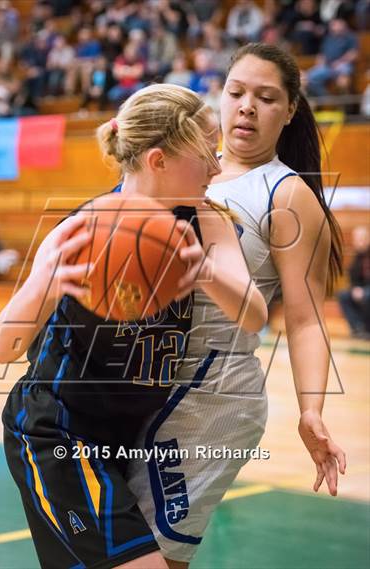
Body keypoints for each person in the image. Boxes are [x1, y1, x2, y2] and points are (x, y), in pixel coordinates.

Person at [0, 83, 268, 569]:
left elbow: (254, 315)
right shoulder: (80, 231)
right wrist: (46, 286)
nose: (218, 166)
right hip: (58, 432)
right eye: (208, 152)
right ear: (158, 160)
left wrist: (204, 271)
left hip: (130, 438)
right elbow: (3, 347)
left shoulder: (207, 222)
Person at [126, 43, 347, 567]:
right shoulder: (176, 166)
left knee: (154, 558)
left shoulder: (286, 194)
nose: (247, 106)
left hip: (211, 398)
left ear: (289, 110)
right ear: (219, 96)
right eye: (237, 91)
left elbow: (305, 317)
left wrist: (311, 409)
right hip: (136, 383)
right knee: (108, 548)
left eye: (266, 97)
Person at [306, 18, 358, 97]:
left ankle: (346, 106)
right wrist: (320, 64)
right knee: (309, 78)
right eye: (333, 25)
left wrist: (340, 62)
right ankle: (326, 99)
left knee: (343, 80)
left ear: (343, 26)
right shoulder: (328, 38)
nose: (334, 27)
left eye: (337, 25)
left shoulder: (350, 37)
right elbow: (322, 54)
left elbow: (353, 54)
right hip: (327, 66)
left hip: (343, 65)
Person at [338, 226, 370, 339]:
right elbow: (353, 279)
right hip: (361, 291)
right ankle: (358, 328)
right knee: (343, 295)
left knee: (367, 295)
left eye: (362, 238)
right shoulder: (357, 258)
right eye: (356, 239)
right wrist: (355, 289)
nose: (359, 242)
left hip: (367, 291)